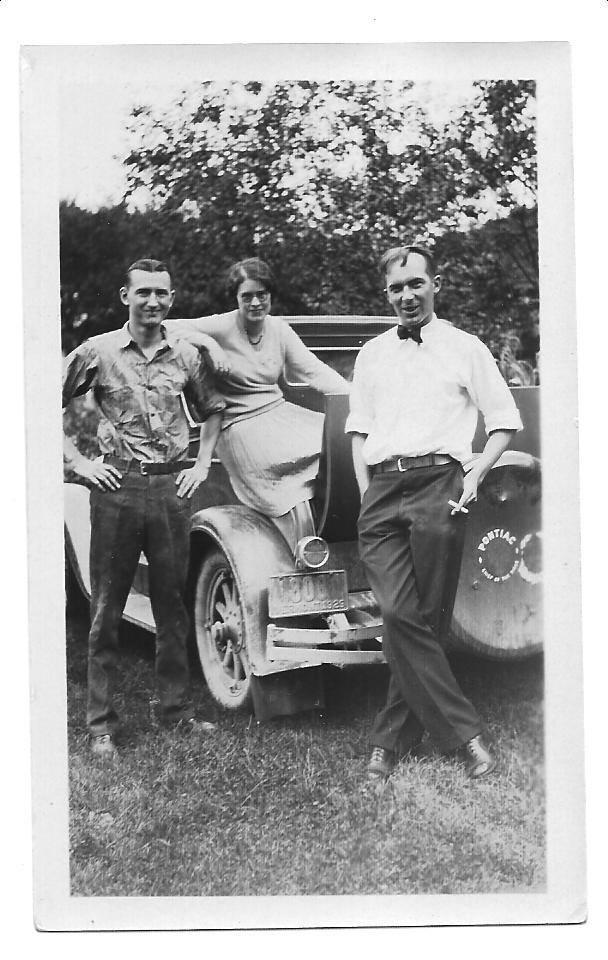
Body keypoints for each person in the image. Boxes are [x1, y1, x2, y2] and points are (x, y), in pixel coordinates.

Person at [345, 244, 523, 782]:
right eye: (396, 288)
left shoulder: (465, 347)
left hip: (440, 485)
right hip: (382, 489)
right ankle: (465, 736)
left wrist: (475, 474)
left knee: (424, 619)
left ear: (435, 285)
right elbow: (359, 431)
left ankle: (389, 742)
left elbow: (504, 420)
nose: (407, 295)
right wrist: (366, 495)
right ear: (387, 294)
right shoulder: (372, 353)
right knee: (398, 612)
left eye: (416, 284)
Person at [63, 258, 226, 758]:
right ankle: (100, 723)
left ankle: (175, 711)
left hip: (171, 490)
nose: (152, 301)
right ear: (125, 297)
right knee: (107, 607)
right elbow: (38, 401)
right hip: (118, 488)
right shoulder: (98, 351)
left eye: (161, 293)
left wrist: (201, 465)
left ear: (171, 300)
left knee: (171, 604)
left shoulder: (186, 354)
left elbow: (213, 409)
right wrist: (80, 464)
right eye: (143, 292)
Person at [168, 258, 349, 520]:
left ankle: (330, 522)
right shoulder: (222, 325)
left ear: (270, 295)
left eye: (262, 295)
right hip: (239, 425)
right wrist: (207, 343)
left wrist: (356, 397)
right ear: (236, 298)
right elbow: (164, 328)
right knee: (294, 473)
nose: (255, 303)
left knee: (341, 441)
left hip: (281, 415)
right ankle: (298, 528)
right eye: (247, 296)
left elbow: (314, 371)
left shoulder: (278, 329)